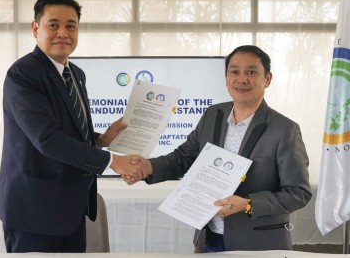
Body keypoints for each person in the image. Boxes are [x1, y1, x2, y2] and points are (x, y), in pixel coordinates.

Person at [124, 45, 312, 251]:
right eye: (234, 72)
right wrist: (147, 167)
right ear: (226, 77)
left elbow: (298, 192)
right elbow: (184, 157)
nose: (242, 79)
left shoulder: (284, 129)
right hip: (210, 237)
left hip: (259, 244)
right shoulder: (213, 114)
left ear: (267, 79)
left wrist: (247, 204)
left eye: (251, 72)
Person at [0, 0, 148, 253]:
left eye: (71, 26)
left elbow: (70, 132)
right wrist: (114, 161)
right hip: (34, 210)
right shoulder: (23, 74)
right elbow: (47, 139)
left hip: (71, 207)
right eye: (53, 25)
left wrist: (101, 139)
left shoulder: (76, 73)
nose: (63, 33)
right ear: (35, 28)